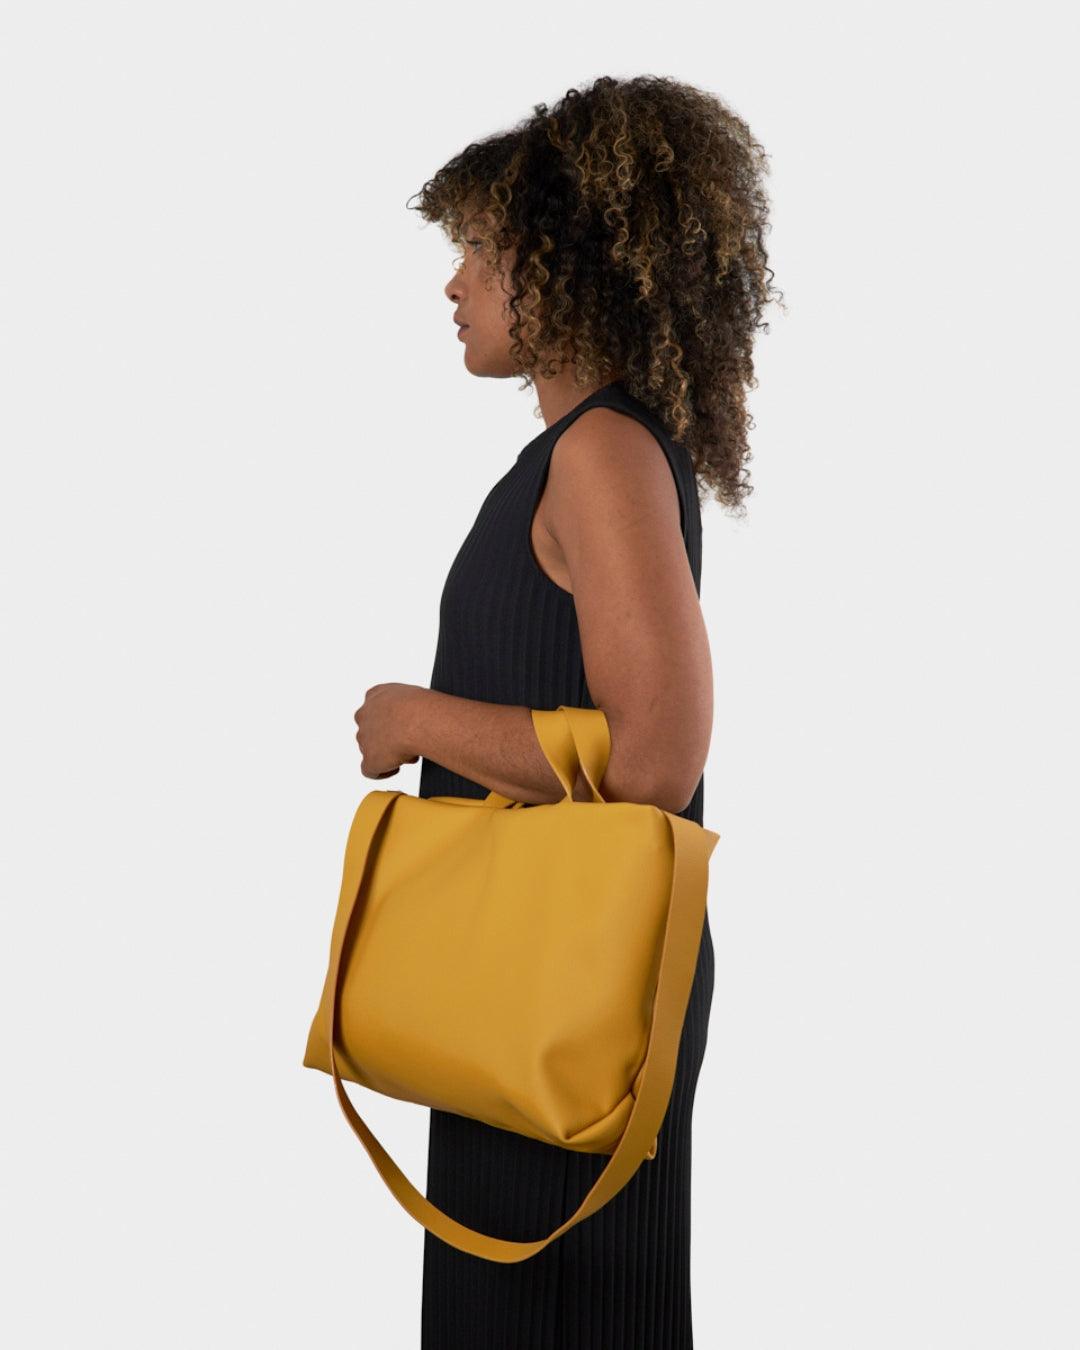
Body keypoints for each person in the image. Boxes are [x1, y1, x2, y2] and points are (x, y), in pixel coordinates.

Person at [353, 73, 779, 1350]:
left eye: (482, 250)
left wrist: (419, 718)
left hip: (569, 991)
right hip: (526, 978)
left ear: (568, 265)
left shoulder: (601, 453)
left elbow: (655, 756)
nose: (455, 283)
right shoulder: (583, 454)